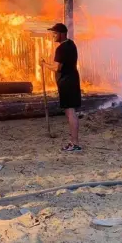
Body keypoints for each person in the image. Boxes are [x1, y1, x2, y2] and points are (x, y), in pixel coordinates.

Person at [40, 23, 82, 152]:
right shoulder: (71, 44)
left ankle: (74, 143)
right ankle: (74, 142)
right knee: (70, 112)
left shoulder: (62, 48)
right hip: (72, 80)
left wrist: (44, 64)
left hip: (67, 83)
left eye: (55, 33)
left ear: (62, 34)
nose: (53, 35)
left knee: (70, 112)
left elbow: (56, 68)